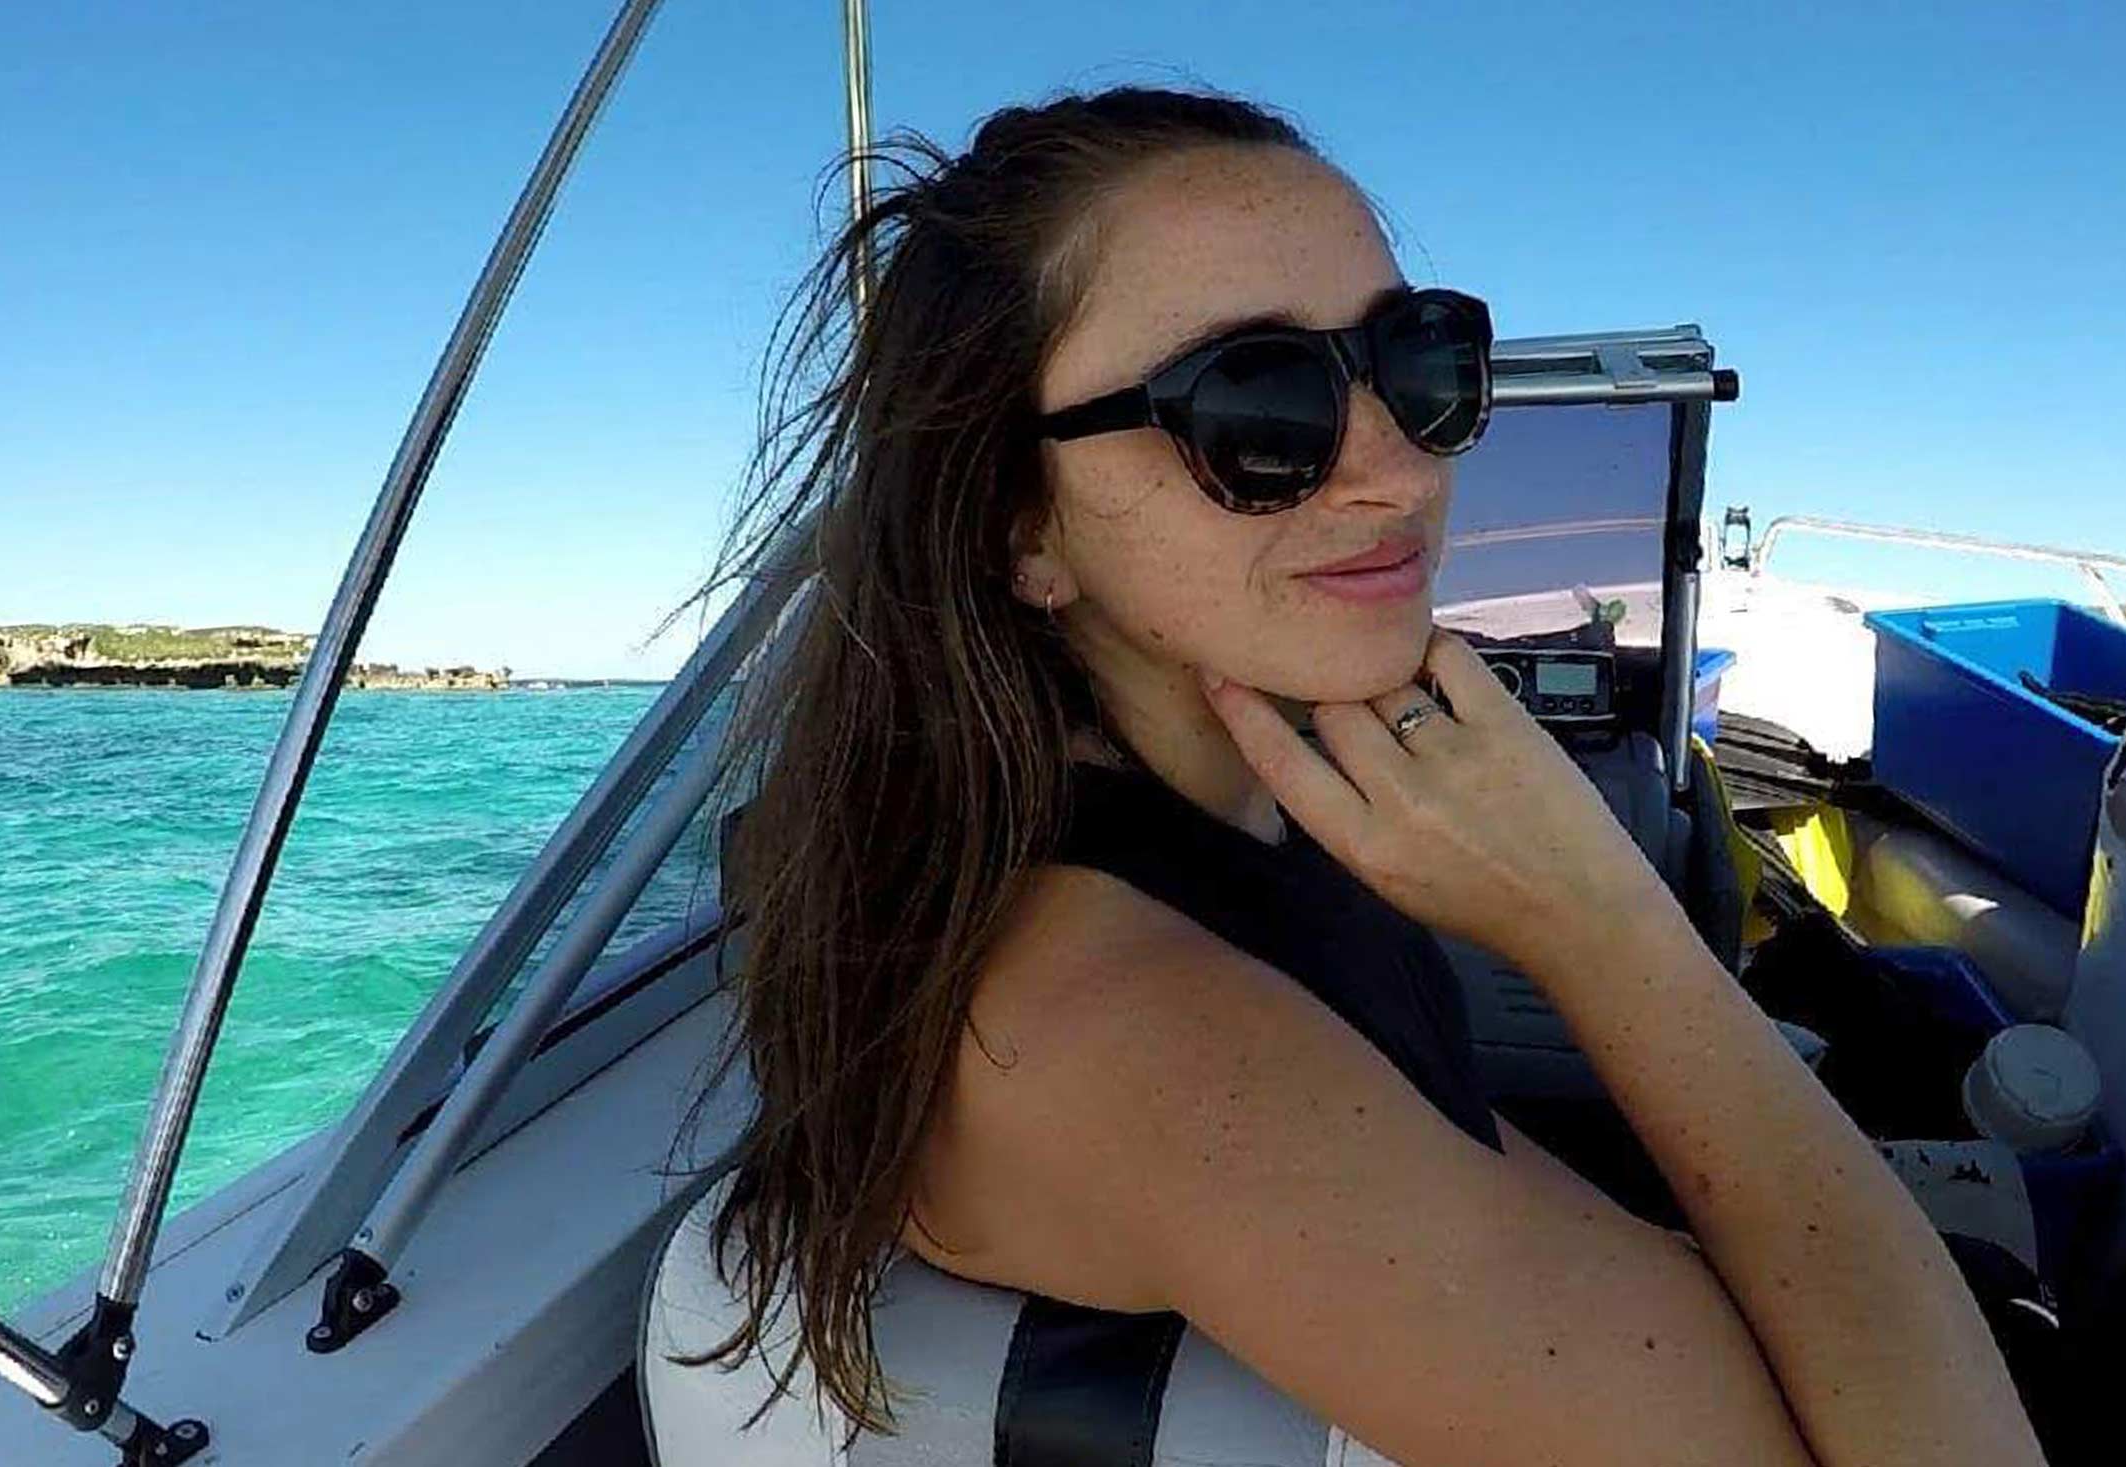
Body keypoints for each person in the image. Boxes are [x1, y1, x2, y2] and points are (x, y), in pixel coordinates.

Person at [669, 87, 2043, 1466]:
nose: (1396, 467)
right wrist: (1605, 924)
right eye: (1259, 403)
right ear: (1022, 530)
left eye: (1418, 361)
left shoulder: (1229, 803)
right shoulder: (1132, 1042)